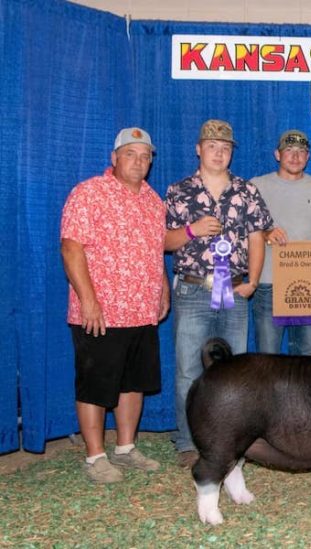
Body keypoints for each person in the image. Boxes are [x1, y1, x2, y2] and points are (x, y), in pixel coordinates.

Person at [60, 127, 167, 483]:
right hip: (101, 312)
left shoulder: (153, 201)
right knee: (95, 383)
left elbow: (155, 249)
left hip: (141, 310)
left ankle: (125, 448)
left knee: (133, 382)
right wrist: (88, 300)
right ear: (114, 158)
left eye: (145, 156)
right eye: (130, 154)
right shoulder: (89, 193)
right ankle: (95, 456)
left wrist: (162, 288)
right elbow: (71, 248)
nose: (138, 161)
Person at [164, 120, 273, 467]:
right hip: (193, 289)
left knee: (235, 373)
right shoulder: (179, 190)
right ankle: (188, 441)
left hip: (235, 290)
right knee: (188, 371)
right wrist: (192, 231)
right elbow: (164, 241)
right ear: (199, 149)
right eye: (212, 146)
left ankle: (233, 443)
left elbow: (257, 237)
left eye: (225, 148)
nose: (219, 152)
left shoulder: (246, 191)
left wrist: (252, 281)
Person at [251, 130, 311, 355]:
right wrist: (264, 232)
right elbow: (240, 228)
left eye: (301, 151)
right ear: (277, 154)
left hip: (306, 284)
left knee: (305, 354)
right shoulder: (257, 186)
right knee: (268, 358)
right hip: (268, 282)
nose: (295, 157)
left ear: (308, 157)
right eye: (289, 150)